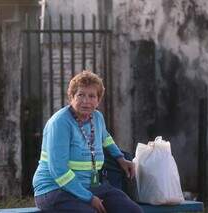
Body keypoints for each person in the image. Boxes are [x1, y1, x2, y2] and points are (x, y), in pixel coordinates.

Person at [32, 70, 143, 213]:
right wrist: (89, 198)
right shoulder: (60, 123)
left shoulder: (97, 117)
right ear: (71, 97)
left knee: (131, 210)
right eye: (80, 95)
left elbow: (105, 138)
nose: (86, 101)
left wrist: (120, 158)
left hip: (90, 186)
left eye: (92, 96)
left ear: (98, 100)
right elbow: (59, 171)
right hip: (54, 189)